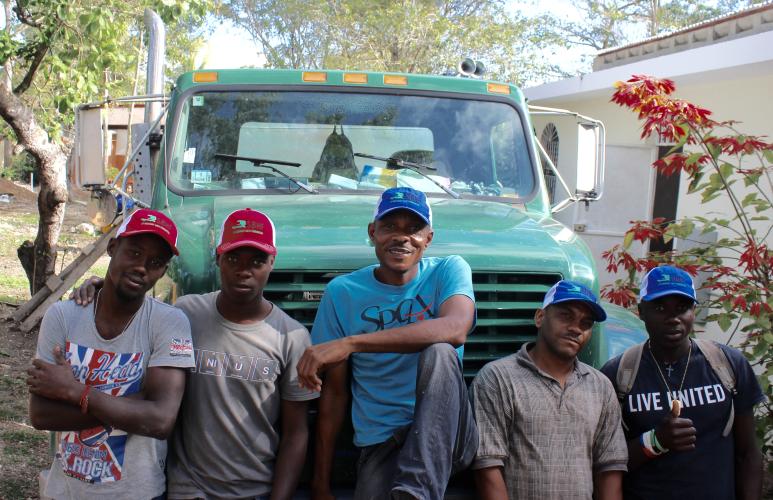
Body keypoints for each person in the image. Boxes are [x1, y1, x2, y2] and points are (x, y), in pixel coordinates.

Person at [73, 208, 317, 499]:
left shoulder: (291, 337)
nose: (244, 270)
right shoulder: (185, 314)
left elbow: (296, 432)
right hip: (188, 489)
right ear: (218, 259)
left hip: (255, 491)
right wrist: (102, 287)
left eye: (257, 261)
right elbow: (134, 312)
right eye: (233, 258)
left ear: (272, 262)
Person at [298, 186, 479, 500]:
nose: (402, 237)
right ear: (373, 232)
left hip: (450, 436)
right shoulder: (343, 292)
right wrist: (320, 483)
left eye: (414, 229)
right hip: (383, 443)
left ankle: (416, 490)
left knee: (439, 350)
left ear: (429, 239)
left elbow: (456, 327)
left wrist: (352, 343)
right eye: (390, 227)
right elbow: (336, 394)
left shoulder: (449, 270)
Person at [28, 208, 194, 500]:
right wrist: (133, 405)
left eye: (155, 262)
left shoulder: (168, 323)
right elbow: (42, 415)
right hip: (67, 491)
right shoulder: (64, 317)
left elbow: (159, 421)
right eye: (134, 253)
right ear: (113, 247)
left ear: (163, 271)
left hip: (138, 493)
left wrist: (73, 391)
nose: (142, 267)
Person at [600, 266, 765, 500]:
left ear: (693, 311)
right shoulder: (618, 374)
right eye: (659, 308)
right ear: (641, 312)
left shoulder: (728, 365)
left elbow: (748, 453)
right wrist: (655, 441)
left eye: (682, 308)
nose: (673, 318)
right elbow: (607, 463)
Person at [470, 280, 628, 500]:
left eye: (586, 323)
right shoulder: (498, 378)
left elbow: (609, 467)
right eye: (566, 316)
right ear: (540, 317)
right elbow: (487, 466)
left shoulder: (600, 386)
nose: (576, 328)